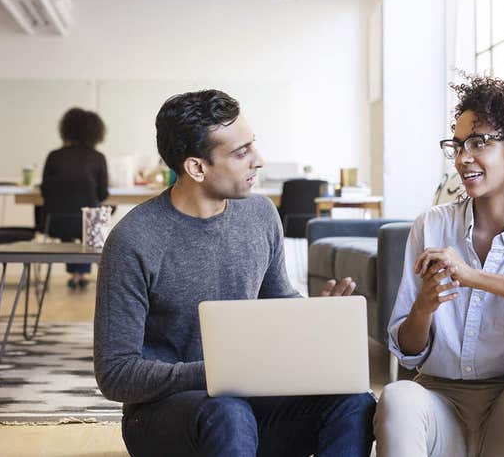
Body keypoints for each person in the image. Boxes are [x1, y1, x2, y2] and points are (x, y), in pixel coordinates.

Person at [94, 89, 376, 457]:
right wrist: (218, 372)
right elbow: (116, 374)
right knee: (228, 412)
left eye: (252, 146)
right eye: (241, 153)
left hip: (248, 404)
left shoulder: (260, 215)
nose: (258, 161)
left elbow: (277, 304)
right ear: (197, 167)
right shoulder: (133, 240)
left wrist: (313, 318)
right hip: (165, 416)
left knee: (356, 402)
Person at [373, 76, 504, 457]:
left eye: (478, 143)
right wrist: (423, 308)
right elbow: (406, 350)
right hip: (441, 408)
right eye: (457, 146)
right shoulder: (433, 225)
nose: (462, 158)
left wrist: (473, 276)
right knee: (398, 396)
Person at [41, 107, 109, 290]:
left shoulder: (54, 156)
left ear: (66, 130)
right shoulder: (97, 158)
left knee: (71, 219)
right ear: (96, 132)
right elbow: (103, 194)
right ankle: (81, 274)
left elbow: (45, 191)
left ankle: (76, 274)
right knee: (91, 218)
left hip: (56, 223)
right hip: (90, 225)